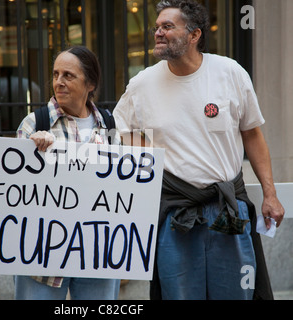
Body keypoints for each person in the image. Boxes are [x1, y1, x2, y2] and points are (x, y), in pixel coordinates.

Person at [113, 0, 285, 300]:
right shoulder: (141, 85)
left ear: (194, 35)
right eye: (157, 27)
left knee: (235, 295)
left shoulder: (229, 72)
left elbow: (253, 135)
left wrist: (270, 194)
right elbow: (124, 134)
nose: (158, 33)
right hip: (175, 214)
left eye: (168, 26)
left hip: (228, 210)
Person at [15, 45, 121, 300]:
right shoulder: (34, 123)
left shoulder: (108, 124)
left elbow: (118, 187)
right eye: (55, 74)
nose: (58, 82)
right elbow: (15, 192)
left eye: (68, 76)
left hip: (97, 254)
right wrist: (31, 150)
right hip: (42, 257)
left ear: (91, 83)